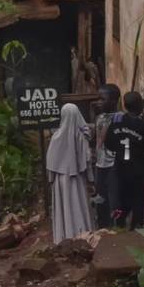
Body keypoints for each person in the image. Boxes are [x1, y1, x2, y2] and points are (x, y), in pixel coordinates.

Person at [103, 91, 144, 229]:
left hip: (120, 167)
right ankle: (137, 224)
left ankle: (119, 221)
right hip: (138, 168)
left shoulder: (116, 124)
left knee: (121, 196)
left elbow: (108, 143)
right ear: (139, 105)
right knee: (138, 197)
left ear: (125, 106)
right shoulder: (143, 125)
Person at [45, 102, 96, 243]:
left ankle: (64, 237)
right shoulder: (82, 136)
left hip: (60, 181)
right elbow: (87, 160)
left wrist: (51, 179)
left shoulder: (56, 137)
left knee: (64, 209)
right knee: (78, 205)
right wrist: (90, 179)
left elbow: (51, 162)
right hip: (77, 178)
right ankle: (82, 234)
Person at [90, 84, 120, 225]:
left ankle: (118, 225)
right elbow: (95, 139)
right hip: (100, 164)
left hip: (114, 164)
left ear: (113, 101)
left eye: (102, 99)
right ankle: (103, 224)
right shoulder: (99, 117)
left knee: (115, 197)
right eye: (98, 99)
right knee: (100, 196)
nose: (98, 102)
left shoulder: (120, 118)